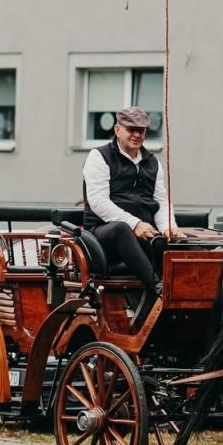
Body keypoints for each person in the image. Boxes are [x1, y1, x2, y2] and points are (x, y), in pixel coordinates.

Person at [82, 105, 183, 326]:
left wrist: (168, 227)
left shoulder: (152, 162)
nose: (137, 134)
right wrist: (135, 223)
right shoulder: (99, 157)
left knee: (185, 245)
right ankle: (156, 287)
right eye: (131, 129)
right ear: (118, 130)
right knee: (121, 229)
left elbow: (162, 201)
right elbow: (98, 202)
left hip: (144, 234)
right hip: (103, 234)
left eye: (142, 130)